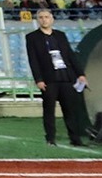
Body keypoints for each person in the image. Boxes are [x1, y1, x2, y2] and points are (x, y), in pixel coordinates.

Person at [25, 9, 88, 146]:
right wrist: (38, 79)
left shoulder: (60, 35)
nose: (44, 20)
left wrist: (80, 74)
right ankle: (50, 139)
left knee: (70, 110)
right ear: (38, 20)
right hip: (49, 80)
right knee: (49, 110)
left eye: (46, 17)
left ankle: (75, 139)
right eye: (41, 17)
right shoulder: (32, 37)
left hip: (66, 77)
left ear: (52, 19)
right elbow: (33, 60)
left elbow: (70, 56)